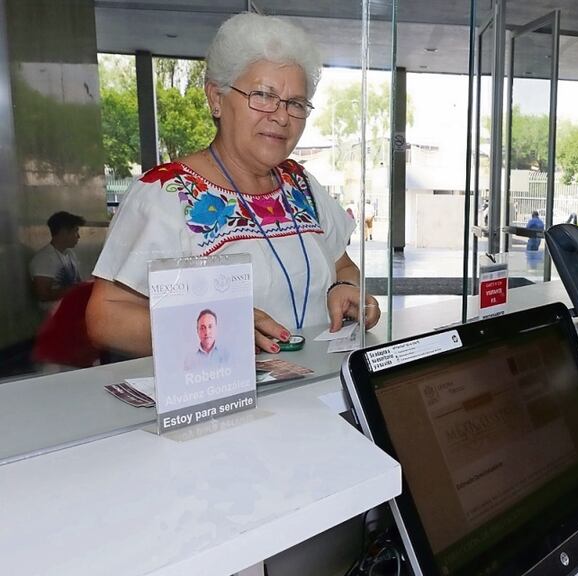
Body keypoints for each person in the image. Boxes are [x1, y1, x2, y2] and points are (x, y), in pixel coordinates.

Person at [87, 12, 380, 358]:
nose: (282, 116)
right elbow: (106, 318)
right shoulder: (165, 193)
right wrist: (221, 326)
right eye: (263, 95)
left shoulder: (301, 186)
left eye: (296, 104)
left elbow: (343, 266)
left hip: (316, 391)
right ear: (216, 98)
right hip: (221, 398)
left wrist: (346, 289)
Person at [30, 211, 85, 308]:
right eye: (76, 231)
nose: (78, 236)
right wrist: (75, 289)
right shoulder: (44, 259)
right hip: (54, 316)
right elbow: (43, 295)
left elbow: (78, 281)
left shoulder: (69, 254)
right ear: (63, 232)